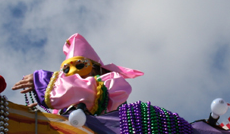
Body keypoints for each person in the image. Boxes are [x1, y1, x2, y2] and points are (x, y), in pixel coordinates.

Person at [12, 33, 143, 115]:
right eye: (66, 70)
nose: (75, 74)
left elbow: (87, 92)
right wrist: (37, 119)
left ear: (98, 69)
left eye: (81, 66)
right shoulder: (61, 107)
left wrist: (44, 81)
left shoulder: (113, 83)